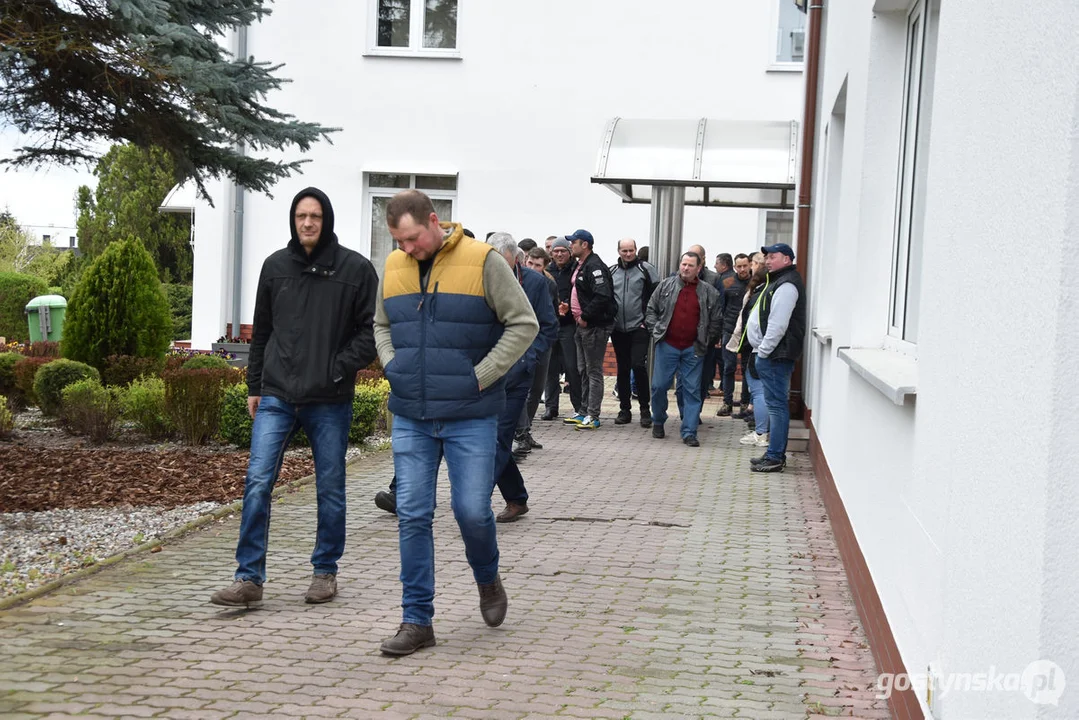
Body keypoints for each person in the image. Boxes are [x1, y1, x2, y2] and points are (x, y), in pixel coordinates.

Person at [375, 190, 538, 655]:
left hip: (470, 414)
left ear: (434, 221)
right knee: (412, 515)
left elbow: (523, 324)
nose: (406, 249)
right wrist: (392, 365)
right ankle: (417, 621)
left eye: (411, 239)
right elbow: (380, 325)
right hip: (411, 413)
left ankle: (488, 579)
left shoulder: (484, 260)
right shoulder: (393, 267)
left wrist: (481, 376)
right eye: (398, 242)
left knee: (471, 510)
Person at [210, 187, 378, 608]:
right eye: (301, 216)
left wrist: (336, 368)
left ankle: (325, 571)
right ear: (293, 219)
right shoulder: (275, 267)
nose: (307, 223)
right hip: (278, 395)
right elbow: (261, 333)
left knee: (331, 487)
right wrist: (254, 386)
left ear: (327, 220)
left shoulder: (355, 270)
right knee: (257, 482)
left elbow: (370, 333)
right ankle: (248, 578)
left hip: (329, 399)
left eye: (315, 216)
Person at [487, 235, 557, 522]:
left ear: (514, 258)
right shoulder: (483, 277)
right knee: (493, 441)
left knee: (497, 439)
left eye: (499, 262)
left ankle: (476, 501)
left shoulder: (536, 283)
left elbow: (548, 326)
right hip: (488, 370)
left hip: (516, 375)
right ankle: (516, 498)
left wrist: (528, 356)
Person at [645, 251, 722, 447]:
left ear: (698, 268)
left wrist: (706, 341)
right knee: (659, 386)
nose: (685, 268)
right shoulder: (665, 286)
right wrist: (656, 332)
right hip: (667, 345)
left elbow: (716, 321)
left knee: (692, 391)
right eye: (683, 264)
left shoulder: (709, 292)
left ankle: (689, 432)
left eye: (690, 265)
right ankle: (658, 420)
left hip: (693, 349)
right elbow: (651, 309)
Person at [746, 243, 806, 473]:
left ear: (787, 260)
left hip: (775, 355)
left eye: (773, 257)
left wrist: (763, 352)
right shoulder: (778, 281)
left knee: (777, 407)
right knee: (775, 405)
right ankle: (773, 453)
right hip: (773, 354)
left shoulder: (787, 284)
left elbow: (778, 324)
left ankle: (775, 457)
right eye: (767, 257)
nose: (767, 261)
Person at [565, 229, 616, 430]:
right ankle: (584, 411)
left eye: (574, 242)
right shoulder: (581, 265)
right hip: (582, 326)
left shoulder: (594, 266)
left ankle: (593, 415)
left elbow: (602, 296)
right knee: (583, 370)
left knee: (593, 371)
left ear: (584, 244)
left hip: (594, 327)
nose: (571, 245)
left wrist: (585, 316)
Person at [513, 247, 560, 457]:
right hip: (517, 346)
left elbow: (551, 317)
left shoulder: (546, 284)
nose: (532, 268)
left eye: (538, 265)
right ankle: (521, 433)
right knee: (520, 389)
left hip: (539, 343)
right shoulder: (511, 280)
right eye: (530, 263)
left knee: (536, 388)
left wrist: (539, 345)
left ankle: (525, 429)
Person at [609, 238, 659, 427]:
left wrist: (647, 321)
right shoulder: (612, 271)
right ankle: (624, 409)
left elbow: (657, 295)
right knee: (622, 368)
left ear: (636, 250)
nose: (628, 254)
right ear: (619, 251)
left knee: (638, 365)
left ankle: (645, 409)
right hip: (618, 328)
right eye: (624, 250)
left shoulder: (646, 269)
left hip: (639, 327)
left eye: (631, 250)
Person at [726, 252, 770, 447]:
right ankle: (760, 427)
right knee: (755, 387)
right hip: (749, 345)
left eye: (754, 263)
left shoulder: (765, 291)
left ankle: (761, 432)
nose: (751, 267)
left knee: (759, 390)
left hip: (757, 348)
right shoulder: (757, 290)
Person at [546, 237, 582, 421]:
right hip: (551, 326)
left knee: (571, 367)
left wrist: (568, 305)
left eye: (563, 251)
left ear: (569, 252)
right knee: (550, 368)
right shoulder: (547, 271)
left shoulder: (576, 270)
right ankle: (551, 407)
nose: (559, 254)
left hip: (569, 326)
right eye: (556, 251)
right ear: (551, 253)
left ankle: (578, 407)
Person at [716, 253, 751, 416]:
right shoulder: (727, 282)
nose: (742, 269)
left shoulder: (755, 282)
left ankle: (745, 402)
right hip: (729, 329)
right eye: (739, 266)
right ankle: (727, 402)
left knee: (746, 369)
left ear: (750, 265)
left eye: (745, 265)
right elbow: (720, 307)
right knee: (728, 367)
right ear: (735, 267)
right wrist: (719, 332)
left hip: (748, 331)